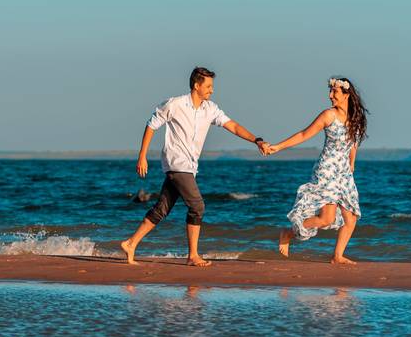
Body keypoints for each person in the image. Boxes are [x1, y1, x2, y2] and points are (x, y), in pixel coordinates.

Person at [120, 67, 268, 266]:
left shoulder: (210, 109)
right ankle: (193, 256)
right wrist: (142, 156)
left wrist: (256, 140)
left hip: (190, 166)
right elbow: (152, 125)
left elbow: (232, 126)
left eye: (212, 86)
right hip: (176, 163)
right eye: (208, 86)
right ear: (196, 85)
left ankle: (130, 243)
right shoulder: (175, 104)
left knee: (161, 209)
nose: (211, 90)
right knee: (197, 206)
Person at [263, 76, 368, 264]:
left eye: (334, 92)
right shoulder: (329, 115)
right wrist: (278, 147)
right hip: (327, 170)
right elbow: (304, 134)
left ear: (346, 95)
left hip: (344, 174)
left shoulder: (355, 119)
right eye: (330, 91)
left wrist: (352, 163)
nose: (330, 95)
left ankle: (337, 256)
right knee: (326, 219)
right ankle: (288, 233)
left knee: (350, 219)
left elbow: (354, 143)